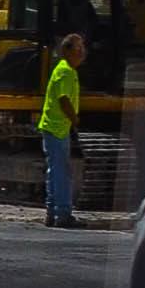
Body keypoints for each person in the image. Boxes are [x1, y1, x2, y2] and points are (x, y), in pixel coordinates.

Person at [40, 32, 86, 228]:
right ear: (68, 51)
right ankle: (63, 214)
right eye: (79, 48)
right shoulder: (67, 71)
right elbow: (64, 100)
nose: (83, 52)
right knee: (62, 173)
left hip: (53, 127)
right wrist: (75, 120)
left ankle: (52, 212)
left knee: (54, 171)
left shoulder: (62, 69)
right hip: (58, 128)